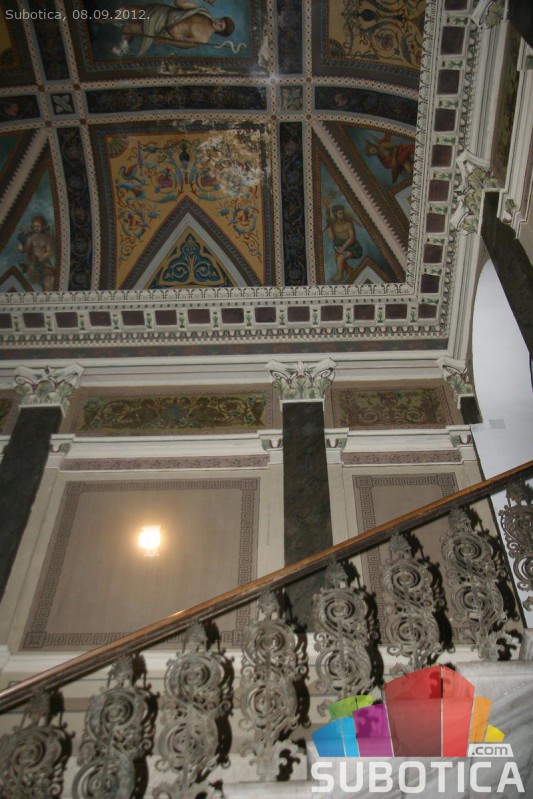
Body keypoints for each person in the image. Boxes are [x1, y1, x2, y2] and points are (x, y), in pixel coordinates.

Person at [110, 1, 235, 56]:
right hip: (162, 13)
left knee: (130, 27)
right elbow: (178, 3)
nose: (218, 22)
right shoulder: (203, 12)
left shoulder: (203, 39)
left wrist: (166, 40)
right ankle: (107, 19)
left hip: (161, 30)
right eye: (220, 20)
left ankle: (122, 47)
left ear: (220, 32)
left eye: (220, 25)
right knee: (128, 10)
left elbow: (183, 44)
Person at [324, 203, 362, 284]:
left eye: (342, 212)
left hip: (353, 247)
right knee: (336, 257)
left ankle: (340, 275)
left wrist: (343, 248)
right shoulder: (334, 225)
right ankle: (349, 269)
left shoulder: (348, 224)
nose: (342, 214)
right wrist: (329, 227)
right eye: (340, 213)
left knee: (340, 258)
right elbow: (331, 238)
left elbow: (352, 238)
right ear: (335, 214)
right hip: (340, 246)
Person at [17, 215, 55, 290]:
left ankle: (47, 291)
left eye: (38, 226)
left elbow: (50, 252)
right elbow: (26, 248)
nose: (36, 228)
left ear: (43, 226)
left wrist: (42, 257)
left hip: (44, 262)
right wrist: (21, 248)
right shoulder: (32, 238)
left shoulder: (47, 238)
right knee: (34, 280)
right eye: (35, 226)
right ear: (32, 226)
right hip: (33, 263)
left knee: (48, 278)